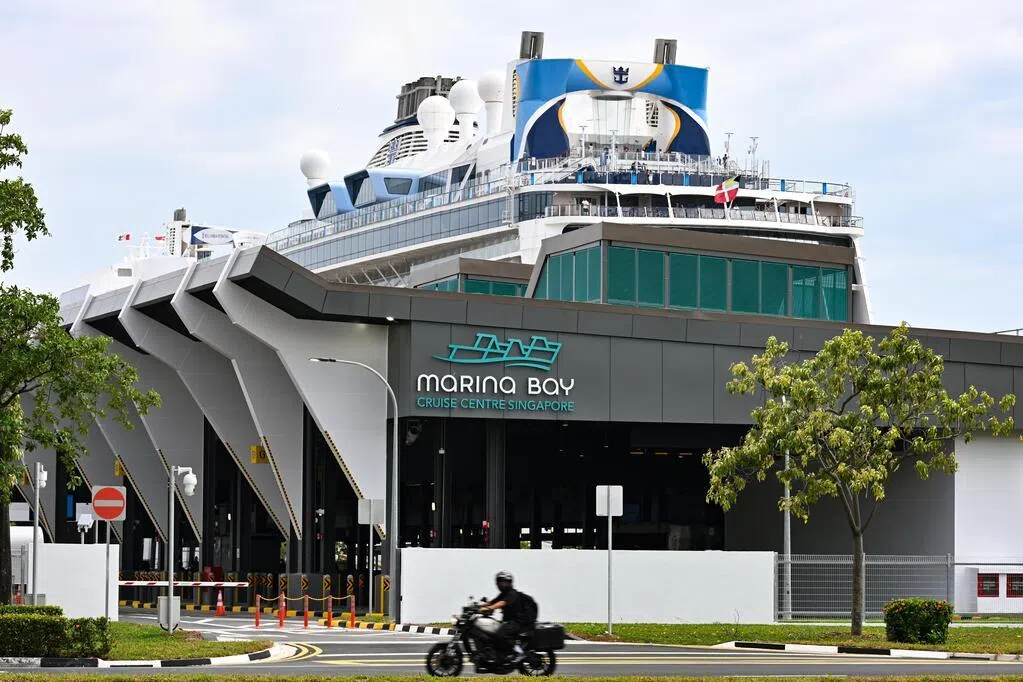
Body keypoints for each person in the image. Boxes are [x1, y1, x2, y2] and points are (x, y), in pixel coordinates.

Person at [480, 571, 535, 663]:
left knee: (500, 634)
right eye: (498, 581)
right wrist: (478, 607)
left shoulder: (512, 594)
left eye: (501, 581)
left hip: (518, 622)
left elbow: (502, 603)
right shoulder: (503, 594)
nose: (498, 584)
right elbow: (493, 602)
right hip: (510, 622)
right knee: (492, 632)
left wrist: (490, 608)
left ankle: (519, 653)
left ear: (508, 582)